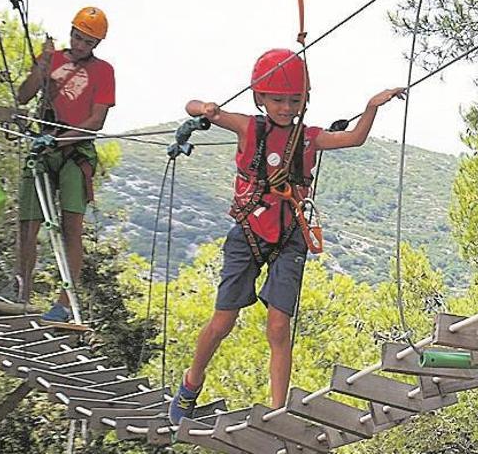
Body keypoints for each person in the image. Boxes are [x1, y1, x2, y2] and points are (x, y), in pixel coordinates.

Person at [168, 48, 404, 423]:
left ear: (305, 100)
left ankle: (277, 412)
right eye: (277, 99)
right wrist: (206, 108)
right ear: (260, 97)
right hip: (248, 231)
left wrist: (372, 106)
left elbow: (355, 138)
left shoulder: (308, 138)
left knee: (279, 325)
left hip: (290, 232)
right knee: (223, 321)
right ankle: (191, 382)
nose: (285, 107)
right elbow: (191, 105)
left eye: (294, 100)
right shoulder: (249, 127)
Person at [15, 6, 115, 322]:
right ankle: (21, 293)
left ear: (96, 44)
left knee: (71, 227)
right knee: (28, 223)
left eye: (87, 41)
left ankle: (64, 302)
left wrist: (59, 141)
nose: (79, 44)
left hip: (75, 152)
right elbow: (23, 96)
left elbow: (95, 120)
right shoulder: (53, 59)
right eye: (76, 36)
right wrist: (42, 65)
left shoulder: (103, 71)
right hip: (43, 148)